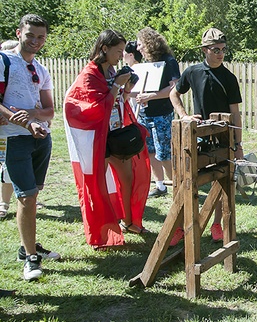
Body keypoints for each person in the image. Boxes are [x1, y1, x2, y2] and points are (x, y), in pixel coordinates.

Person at [63, 30, 151, 248]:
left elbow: (116, 101)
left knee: (128, 179)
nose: (121, 55)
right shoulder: (89, 75)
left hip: (114, 135)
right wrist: (116, 86)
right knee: (96, 185)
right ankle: (98, 233)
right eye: (118, 51)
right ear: (104, 48)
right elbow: (91, 108)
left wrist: (125, 88)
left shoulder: (111, 70)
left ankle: (129, 222)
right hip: (96, 139)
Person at [169, 27, 243, 245]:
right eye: (215, 49)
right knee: (184, 181)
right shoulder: (192, 72)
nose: (220, 53)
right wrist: (183, 116)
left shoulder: (229, 78)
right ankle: (180, 227)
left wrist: (238, 145)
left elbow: (235, 113)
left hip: (223, 136)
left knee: (220, 181)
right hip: (197, 135)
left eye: (223, 49)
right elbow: (174, 93)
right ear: (204, 50)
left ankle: (217, 224)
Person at [0, 14, 58, 281]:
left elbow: (49, 111)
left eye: (41, 37)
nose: (35, 41)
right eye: (30, 35)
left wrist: (28, 114)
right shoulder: (4, 61)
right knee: (26, 196)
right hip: (15, 140)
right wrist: (16, 118)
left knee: (33, 197)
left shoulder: (41, 69)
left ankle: (28, 248)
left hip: (41, 139)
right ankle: (31, 258)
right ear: (19, 32)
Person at [134, 27, 180, 198]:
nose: (138, 49)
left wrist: (151, 96)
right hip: (145, 115)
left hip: (162, 115)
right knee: (150, 151)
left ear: (149, 43)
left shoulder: (168, 61)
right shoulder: (146, 63)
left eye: (140, 45)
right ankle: (160, 186)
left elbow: (175, 87)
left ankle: (177, 186)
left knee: (164, 153)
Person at [0, 39, 19, 220]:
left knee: (7, 166)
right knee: (5, 167)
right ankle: (3, 204)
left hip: (13, 130)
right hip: (6, 128)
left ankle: (6, 203)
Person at [123, 41, 142, 114]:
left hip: (138, 111)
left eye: (124, 52)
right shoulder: (128, 70)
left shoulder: (138, 71)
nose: (122, 55)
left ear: (131, 55)